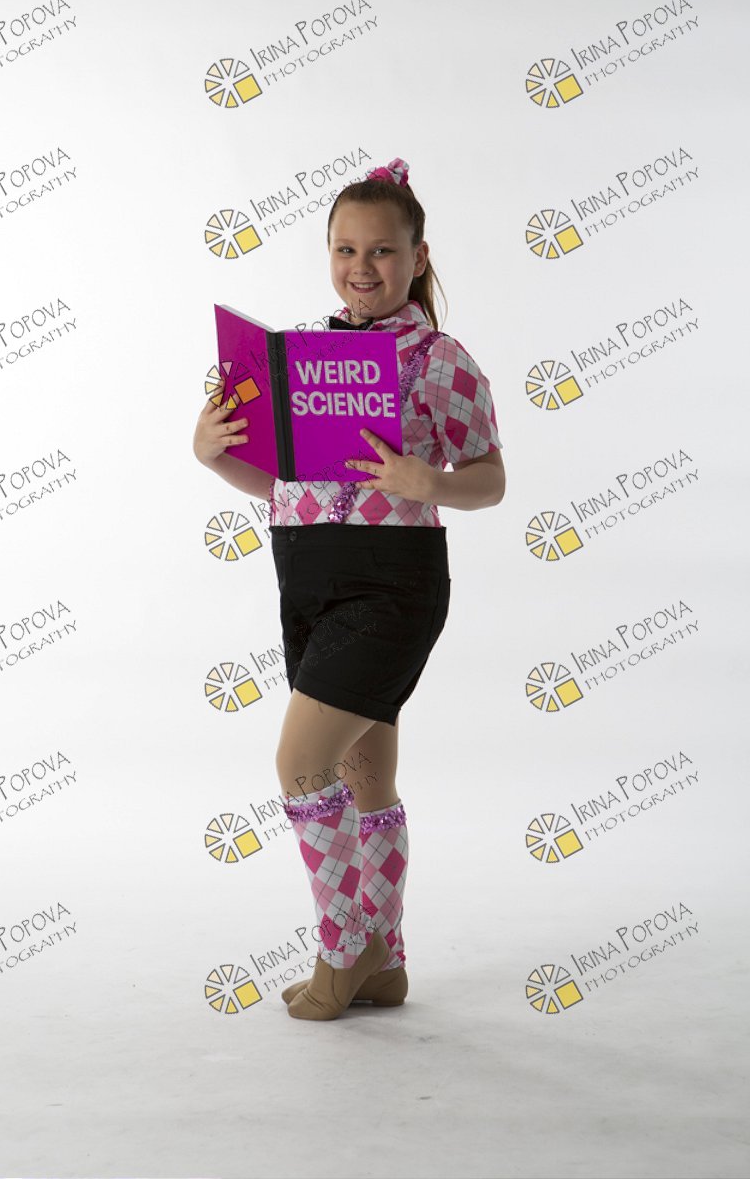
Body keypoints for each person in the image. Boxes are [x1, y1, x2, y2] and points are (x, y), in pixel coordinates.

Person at [192, 157, 506, 1022]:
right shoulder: (298, 355)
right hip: (308, 577)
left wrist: (427, 481)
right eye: (345, 249)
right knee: (367, 777)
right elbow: (286, 486)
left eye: (382, 250)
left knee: (300, 763)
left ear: (418, 257)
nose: (362, 267)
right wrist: (214, 455)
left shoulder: (440, 361)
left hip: (394, 585)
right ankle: (387, 962)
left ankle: (342, 948)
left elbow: (491, 479)